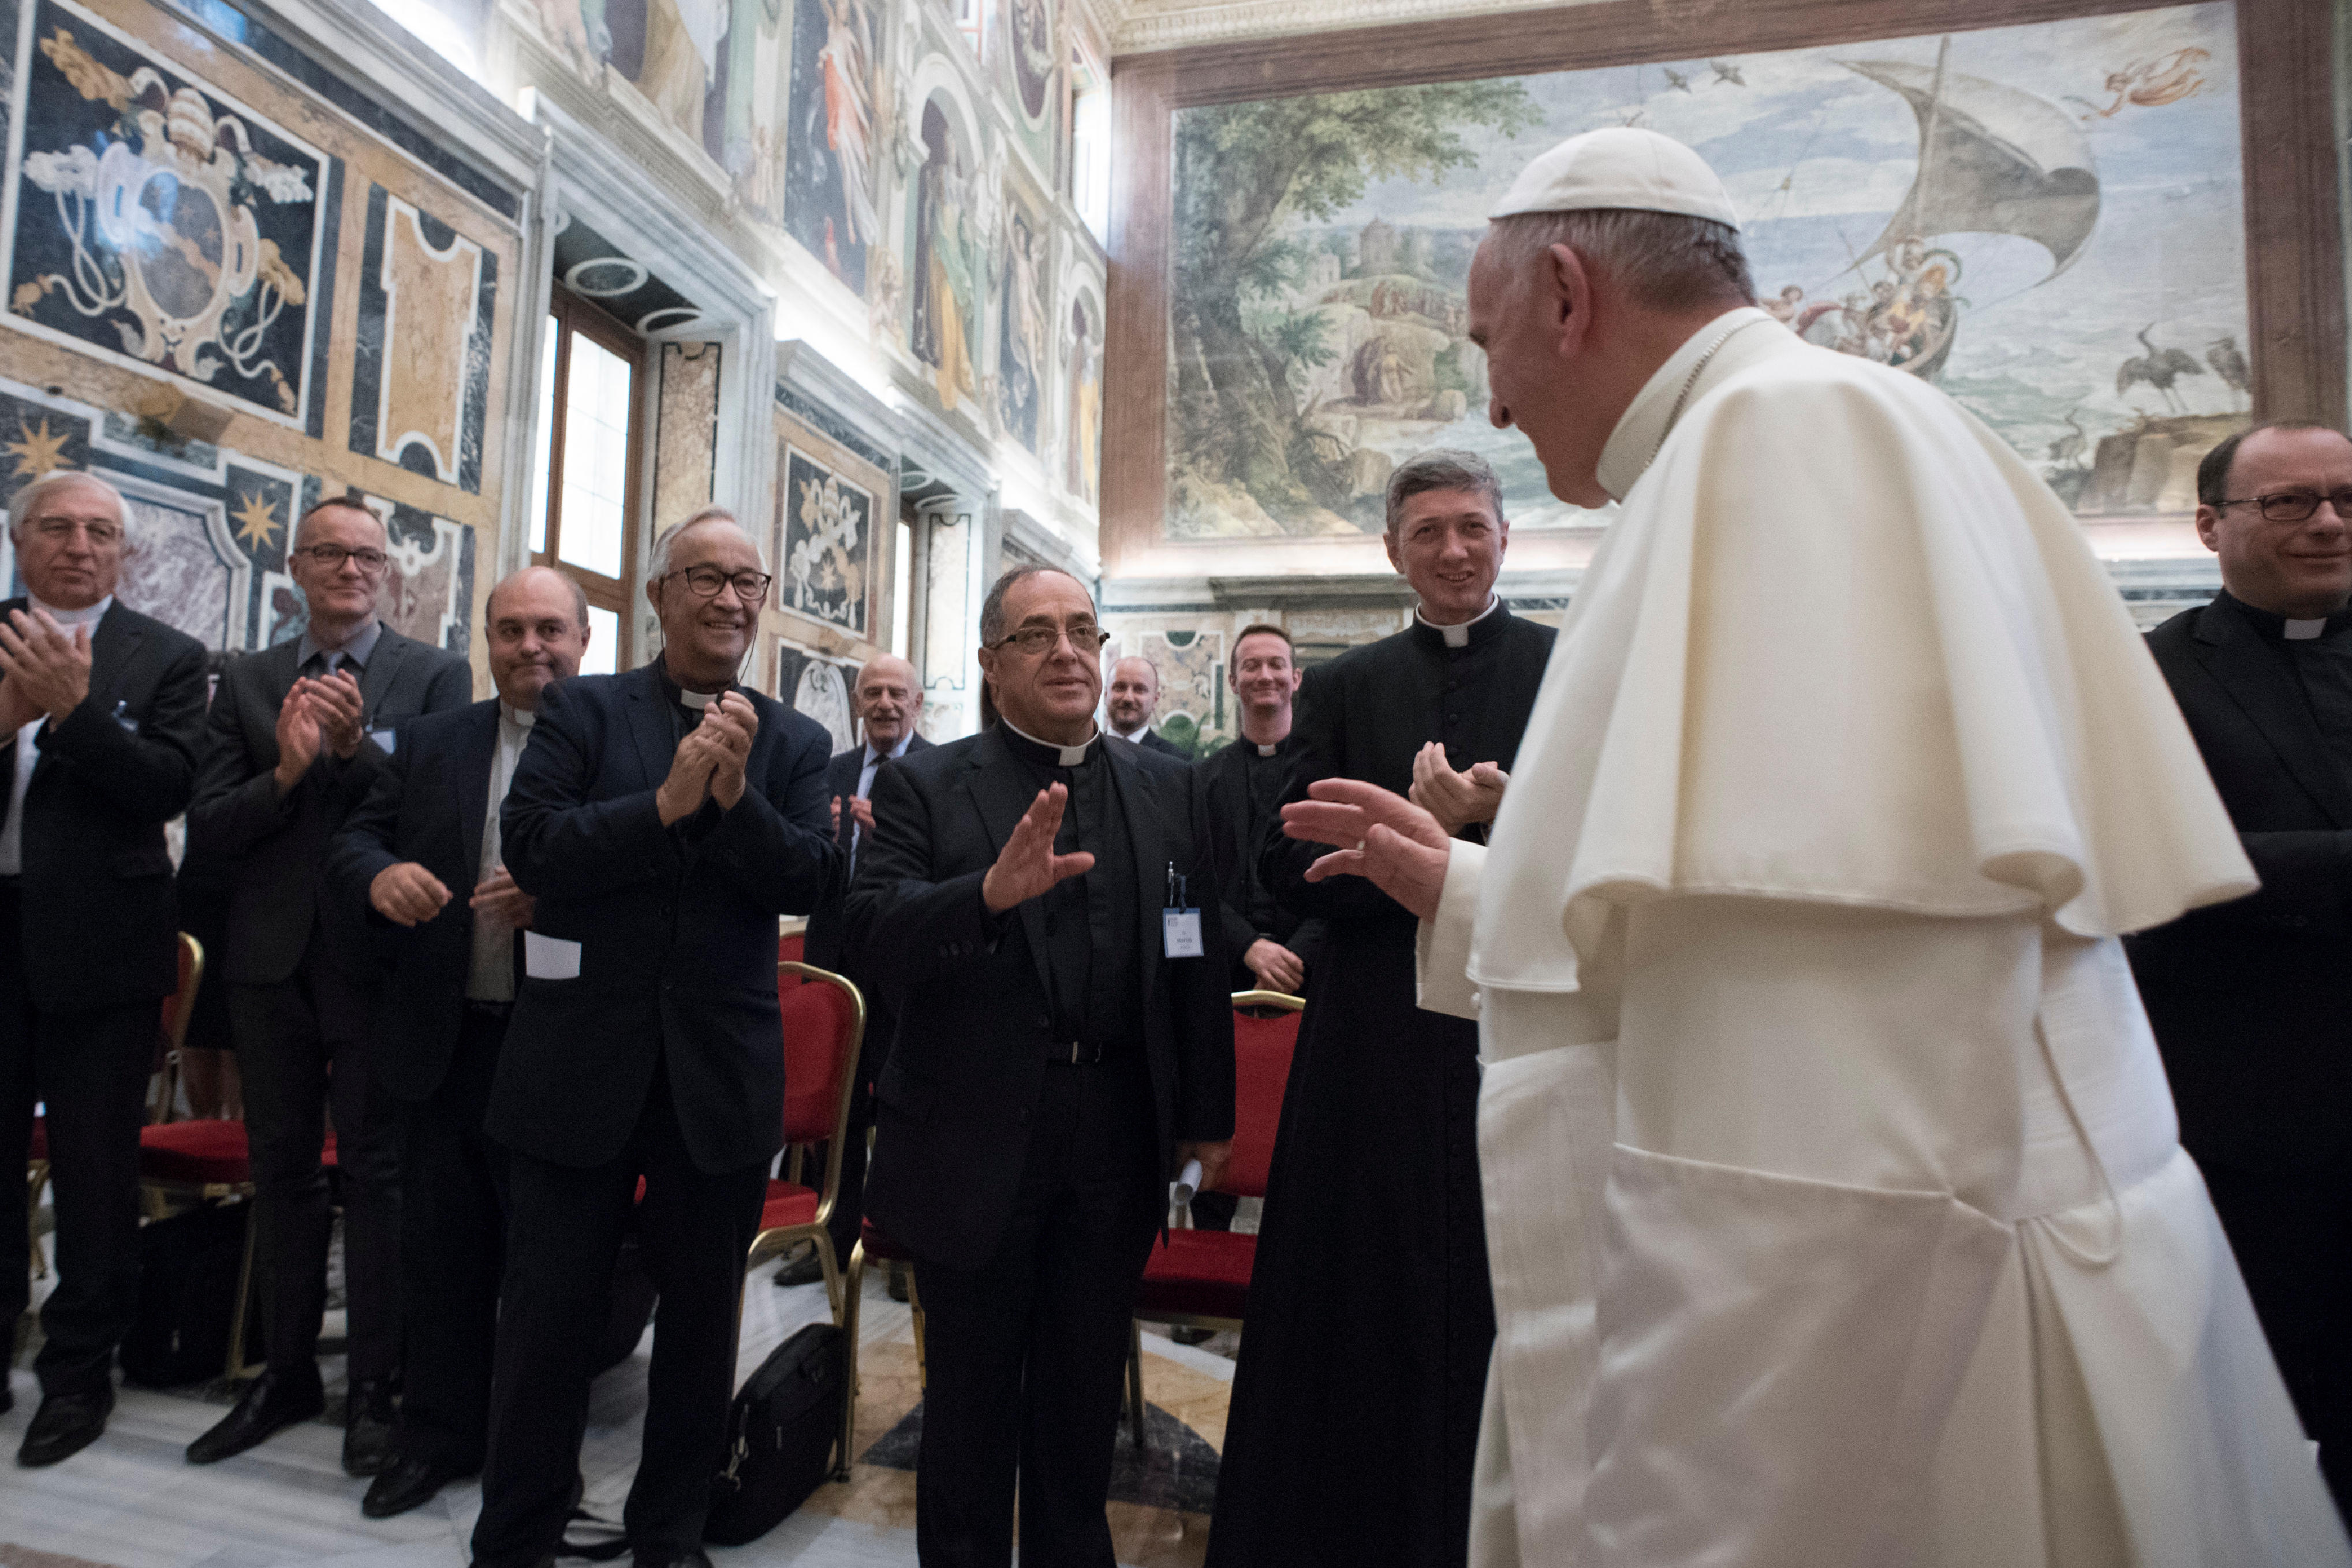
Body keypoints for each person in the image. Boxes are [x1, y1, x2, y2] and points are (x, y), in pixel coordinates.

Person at [1285, 128, 2346, 1565]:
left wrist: (1708, 1522)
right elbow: (1751, 936)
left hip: (1889, 1387)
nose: (1493, 395)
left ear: (1568, 293)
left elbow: (1826, 1136)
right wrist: (1467, 892)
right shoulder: (1783, 434)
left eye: (1488, 340)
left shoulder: (1782, 443)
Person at [471, 509, 838, 1568]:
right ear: (660, 595)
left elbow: (811, 877)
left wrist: (733, 801)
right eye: (705, 577)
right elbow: (534, 844)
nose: (729, 598)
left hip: (717, 1075)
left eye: (746, 581)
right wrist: (666, 805)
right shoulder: (582, 710)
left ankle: (668, 1532)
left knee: (699, 1328)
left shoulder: (796, 741)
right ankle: (516, 1532)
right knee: (545, 1321)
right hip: (576, 1064)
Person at [850, 565, 1233, 1568]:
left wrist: (1206, 1112)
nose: (1066, 651)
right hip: (971, 1133)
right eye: (1035, 635)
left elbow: (1192, 951)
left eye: (1081, 631)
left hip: (1116, 1128)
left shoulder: (1169, 787)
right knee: (970, 1399)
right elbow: (875, 935)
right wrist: (983, 895)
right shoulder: (926, 784)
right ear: (990, 663)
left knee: (1081, 1392)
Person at [1209, 451, 1553, 1568]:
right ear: (1392, 552)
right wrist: (1411, 835)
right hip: (1374, 1040)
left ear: (1504, 537)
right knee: (1362, 1293)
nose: (1452, 551)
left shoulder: (1565, 667)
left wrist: (1493, 827)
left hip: (1517, 1028)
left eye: (1470, 527)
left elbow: (1602, 852)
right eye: (1426, 533)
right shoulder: (1347, 685)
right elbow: (1279, 859)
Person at [185, 497, 471, 1472]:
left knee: (377, 1174)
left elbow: (431, 813)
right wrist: (285, 773)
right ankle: (284, 1370)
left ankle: (376, 1388)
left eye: (368, 557)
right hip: (268, 961)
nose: (351, 569)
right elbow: (211, 826)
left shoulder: (433, 676)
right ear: (296, 568)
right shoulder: (248, 678)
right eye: (331, 554)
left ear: (388, 574)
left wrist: (351, 755)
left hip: (375, 963)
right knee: (282, 1168)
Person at [323, 567, 590, 1519]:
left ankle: (534, 1462)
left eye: (549, 629)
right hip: (446, 1040)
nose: (530, 648)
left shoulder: (621, 745)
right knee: (440, 1253)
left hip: (560, 1047)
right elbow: (354, 838)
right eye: (510, 630)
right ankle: (436, 1435)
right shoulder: (437, 740)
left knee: (545, 1272)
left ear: (584, 640)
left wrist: (558, 894)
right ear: (486, 640)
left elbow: (653, 875)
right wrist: (378, 873)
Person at [2127, 420, 2352, 1517]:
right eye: (2287, 502)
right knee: (2253, 1420)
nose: (2326, 522)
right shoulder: (2148, 675)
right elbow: (2148, 866)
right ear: (2209, 525)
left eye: (2345, 499)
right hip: (2254, 1118)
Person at [0, 473, 205, 1465]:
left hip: (102, 947)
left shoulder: (166, 656)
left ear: (124, 552)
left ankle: (79, 1375)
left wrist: (73, 715)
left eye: (99, 532)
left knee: (93, 1171)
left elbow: (167, 786)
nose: (78, 546)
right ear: (19, 539)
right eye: (57, 527)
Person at [781, 651, 931, 1289]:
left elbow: (948, 876)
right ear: (857, 702)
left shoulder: (938, 773)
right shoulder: (830, 772)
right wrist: (823, 839)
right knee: (835, 1109)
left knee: (903, 1110)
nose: (885, 704)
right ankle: (831, 1240)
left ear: (917, 703)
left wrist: (889, 843)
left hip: (904, 971)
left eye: (897, 693)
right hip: (834, 967)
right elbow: (801, 870)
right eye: (873, 693)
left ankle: (899, 1246)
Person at [1199, 624, 1323, 998]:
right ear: (1233, 682)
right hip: (1226, 967)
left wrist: (1294, 958)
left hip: (1310, 970)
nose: (1265, 676)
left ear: (1296, 679)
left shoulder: (1326, 773)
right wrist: (1248, 946)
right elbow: (1191, 876)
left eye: (1276, 665)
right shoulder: (1201, 780)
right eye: (1251, 666)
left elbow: (1345, 873)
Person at [1103, 655, 1182, 756]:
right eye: (1120, 688)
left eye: (1140, 689)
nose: (1128, 698)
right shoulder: (1086, 753)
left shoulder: (1176, 759)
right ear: (1106, 695)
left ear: (1155, 699)